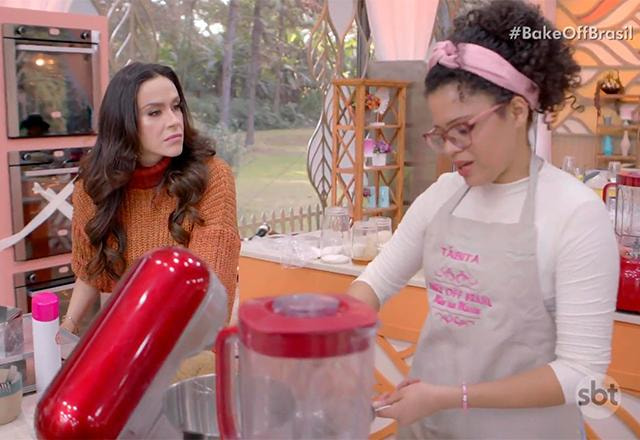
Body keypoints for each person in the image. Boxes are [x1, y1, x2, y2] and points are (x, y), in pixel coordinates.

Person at [348, 1, 619, 438]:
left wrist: (452, 395)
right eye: (441, 134)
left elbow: (581, 375)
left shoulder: (575, 214)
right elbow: (373, 284)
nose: (452, 148)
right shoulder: (443, 196)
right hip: (429, 427)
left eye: (464, 129)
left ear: (516, 111)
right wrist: (337, 344)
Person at [62, 62, 240, 336]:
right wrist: (66, 330)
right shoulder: (93, 186)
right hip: (126, 332)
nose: (173, 120)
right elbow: (90, 272)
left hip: (191, 336)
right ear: (123, 123)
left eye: (176, 106)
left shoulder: (211, 176)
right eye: (154, 112)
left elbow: (211, 286)